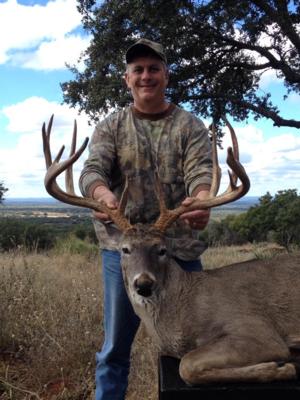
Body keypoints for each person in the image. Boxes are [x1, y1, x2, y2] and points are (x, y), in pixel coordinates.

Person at [79, 38, 212, 400]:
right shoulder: (111, 127)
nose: (146, 76)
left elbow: (201, 172)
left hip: (178, 250)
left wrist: (201, 200)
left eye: (154, 68)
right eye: (138, 69)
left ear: (166, 76)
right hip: (123, 253)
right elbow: (92, 170)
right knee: (114, 350)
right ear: (127, 79)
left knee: (196, 343)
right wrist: (101, 195)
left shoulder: (189, 126)